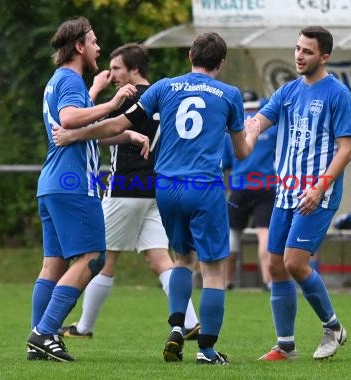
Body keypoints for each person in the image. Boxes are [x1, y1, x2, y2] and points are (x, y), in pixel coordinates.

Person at [53, 32, 260, 365]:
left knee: (182, 260)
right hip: (203, 187)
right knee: (213, 272)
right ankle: (206, 350)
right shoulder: (229, 94)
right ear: (221, 63)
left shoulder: (165, 87)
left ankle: (177, 328)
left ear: (190, 55)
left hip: (166, 188)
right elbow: (241, 152)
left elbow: (117, 124)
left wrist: (74, 134)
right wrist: (252, 132)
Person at [26, 16, 148, 363]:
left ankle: (39, 341)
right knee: (93, 257)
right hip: (74, 183)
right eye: (93, 42)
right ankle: (45, 331)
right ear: (78, 46)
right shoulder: (70, 80)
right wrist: (112, 104)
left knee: (52, 264)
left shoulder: (59, 80)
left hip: (52, 183)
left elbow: (83, 128)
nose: (98, 48)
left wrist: (125, 134)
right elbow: (69, 120)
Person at [58, 43, 200, 340]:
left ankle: (84, 327)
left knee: (102, 258)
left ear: (135, 69)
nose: (113, 74)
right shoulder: (164, 94)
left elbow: (104, 132)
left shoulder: (130, 98)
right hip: (156, 187)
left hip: (125, 186)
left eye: (118, 68)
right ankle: (188, 321)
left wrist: (81, 121)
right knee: (160, 256)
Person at [247, 26, 351, 361]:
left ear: (324, 56)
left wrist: (320, 186)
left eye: (307, 51)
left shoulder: (338, 95)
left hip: (318, 194)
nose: (299, 56)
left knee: (295, 263)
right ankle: (286, 346)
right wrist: (247, 137)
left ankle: (333, 327)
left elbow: (346, 150)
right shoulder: (287, 92)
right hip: (285, 192)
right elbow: (257, 124)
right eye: (297, 49)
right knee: (276, 265)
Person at [222, 91, 277, 291]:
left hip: (239, 187)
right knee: (265, 232)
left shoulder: (232, 130)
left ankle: (227, 280)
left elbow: (226, 162)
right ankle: (268, 280)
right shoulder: (270, 128)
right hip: (266, 185)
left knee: (233, 233)